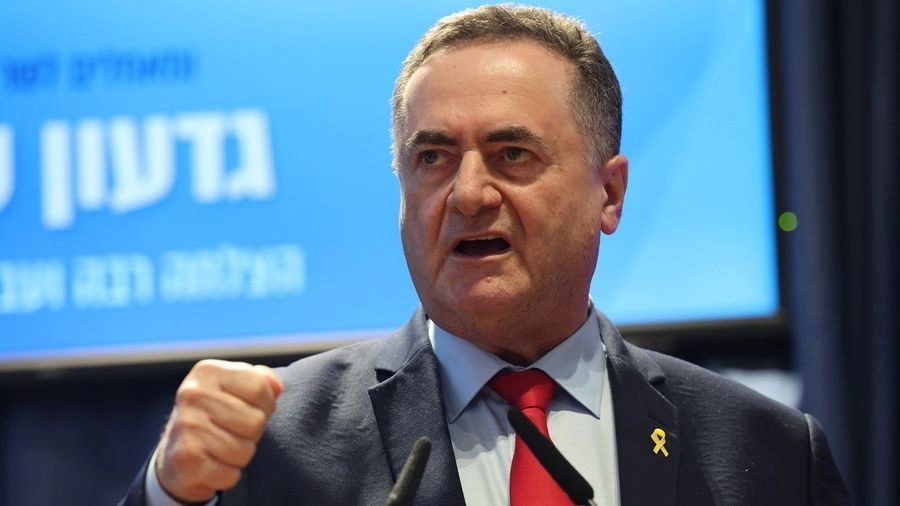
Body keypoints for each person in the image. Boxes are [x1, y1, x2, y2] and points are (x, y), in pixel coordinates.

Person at [122, 5, 851, 505]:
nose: (468, 193)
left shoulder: (766, 451)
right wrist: (170, 495)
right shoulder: (276, 443)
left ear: (609, 194)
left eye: (512, 154)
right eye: (433, 158)